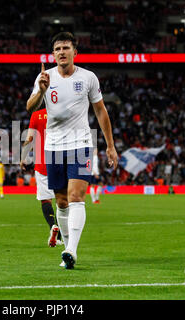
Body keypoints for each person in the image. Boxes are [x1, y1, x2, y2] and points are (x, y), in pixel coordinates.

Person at [26, 32, 118, 269]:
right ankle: (68, 254)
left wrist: (110, 145)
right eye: (57, 49)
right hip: (53, 146)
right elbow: (30, 107)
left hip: (80, 143)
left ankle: (71, 250)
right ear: (53, 54)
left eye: (66, 48)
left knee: (76, 197)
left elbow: (100, 111)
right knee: (62, 201)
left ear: (75, 52)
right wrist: (41, 90)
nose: (61, 52)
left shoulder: (88, 78)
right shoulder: (44, 77)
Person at [20, 108, 62, 249]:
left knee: (46, 199)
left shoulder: (36, 115)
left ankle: (52, 227)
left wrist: (23, 156)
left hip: (42, 163)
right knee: (62, 200)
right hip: (62, 161)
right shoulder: (61, 110)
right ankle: (62, 235)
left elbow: (30, 138)